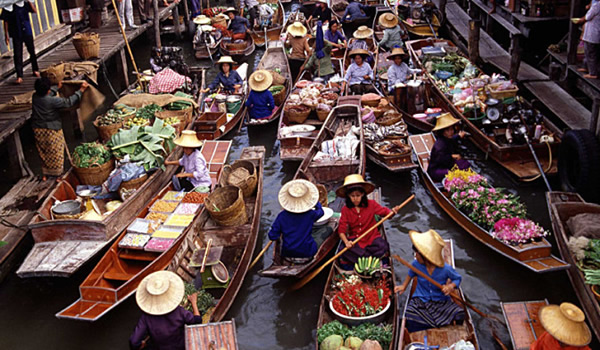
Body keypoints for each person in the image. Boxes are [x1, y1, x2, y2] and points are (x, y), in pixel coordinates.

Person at [395, 230, 465, 332]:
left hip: (440, 301)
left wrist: (450, 287)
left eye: (417, 254)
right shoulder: (416, 265)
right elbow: (411, 274)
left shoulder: (445, 269)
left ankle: (428, 324)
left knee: (459, 313)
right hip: (421, 300)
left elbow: (457, 278)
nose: (415, 256)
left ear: (426, 256)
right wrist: (404, 286)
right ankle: (437, 323)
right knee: (409, 314)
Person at [336, 174, 401, 266]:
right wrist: (347, 242)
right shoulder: (345, 209)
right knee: (343, 250)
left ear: (363, 194)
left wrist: (393, 212)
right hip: (356, 239)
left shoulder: (372, 204)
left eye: (358, 195)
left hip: (372, 237)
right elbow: (341, 230)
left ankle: (363, 259)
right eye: (352, 196)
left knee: (383, 246)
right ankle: (369, 259)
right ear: (348, 196)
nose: (355, 199)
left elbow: (386, 213)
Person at [129, 271, 203, 350]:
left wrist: (141, 344)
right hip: (180, 346)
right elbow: (197, 321)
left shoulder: (146, 318)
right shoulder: (179, 312)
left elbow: (134, 342)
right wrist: (194, 303)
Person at [31, 77, 88, 177]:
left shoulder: (35, 96)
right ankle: (58, 175)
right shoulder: (52, 101)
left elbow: (48, 94)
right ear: (48, 90)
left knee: (44, 151)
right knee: (56, 151)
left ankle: (46, 174)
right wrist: (81, 91)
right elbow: (68, 102)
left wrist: (56, 88)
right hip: (50, 129)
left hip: (37, 128)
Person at [268, 179, 333, 259]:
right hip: (308, 252)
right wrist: (316, 202)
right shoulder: (310, 214)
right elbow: (321, 212)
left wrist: (281, 232)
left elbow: (272, 236)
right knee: (328, 229)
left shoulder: (281, 216)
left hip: (287, 254)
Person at [0, 0, 39, 84]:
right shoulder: (8, 6)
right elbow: (5, 21)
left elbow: (34, 11)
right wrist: (6, 34)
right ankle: (19, 76)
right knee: (17, 54)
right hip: (16, 32)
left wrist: (29, 2)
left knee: (31, 51)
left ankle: (35, 69)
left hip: (27, 31)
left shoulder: (25, 3)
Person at [427, 113, 470, 182]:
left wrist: (458, 136)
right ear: (443, 132)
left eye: (452, 129)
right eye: (448, 130)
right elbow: (443, 160)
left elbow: (452, 139)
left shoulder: (446, 138)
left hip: (448, 163)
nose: (451, 132)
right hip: (437, 169)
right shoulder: (440, 146)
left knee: (465, 164)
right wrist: (452, 156)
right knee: (454, 174)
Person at [577, 1, 600, 79]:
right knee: (587, 52)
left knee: (591, 54)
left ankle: (593, 73)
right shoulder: (595, 5)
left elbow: (587, 17)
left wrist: (580, 20)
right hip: (590, 33)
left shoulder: (596, 6)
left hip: (593, 34)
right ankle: (586, 67)